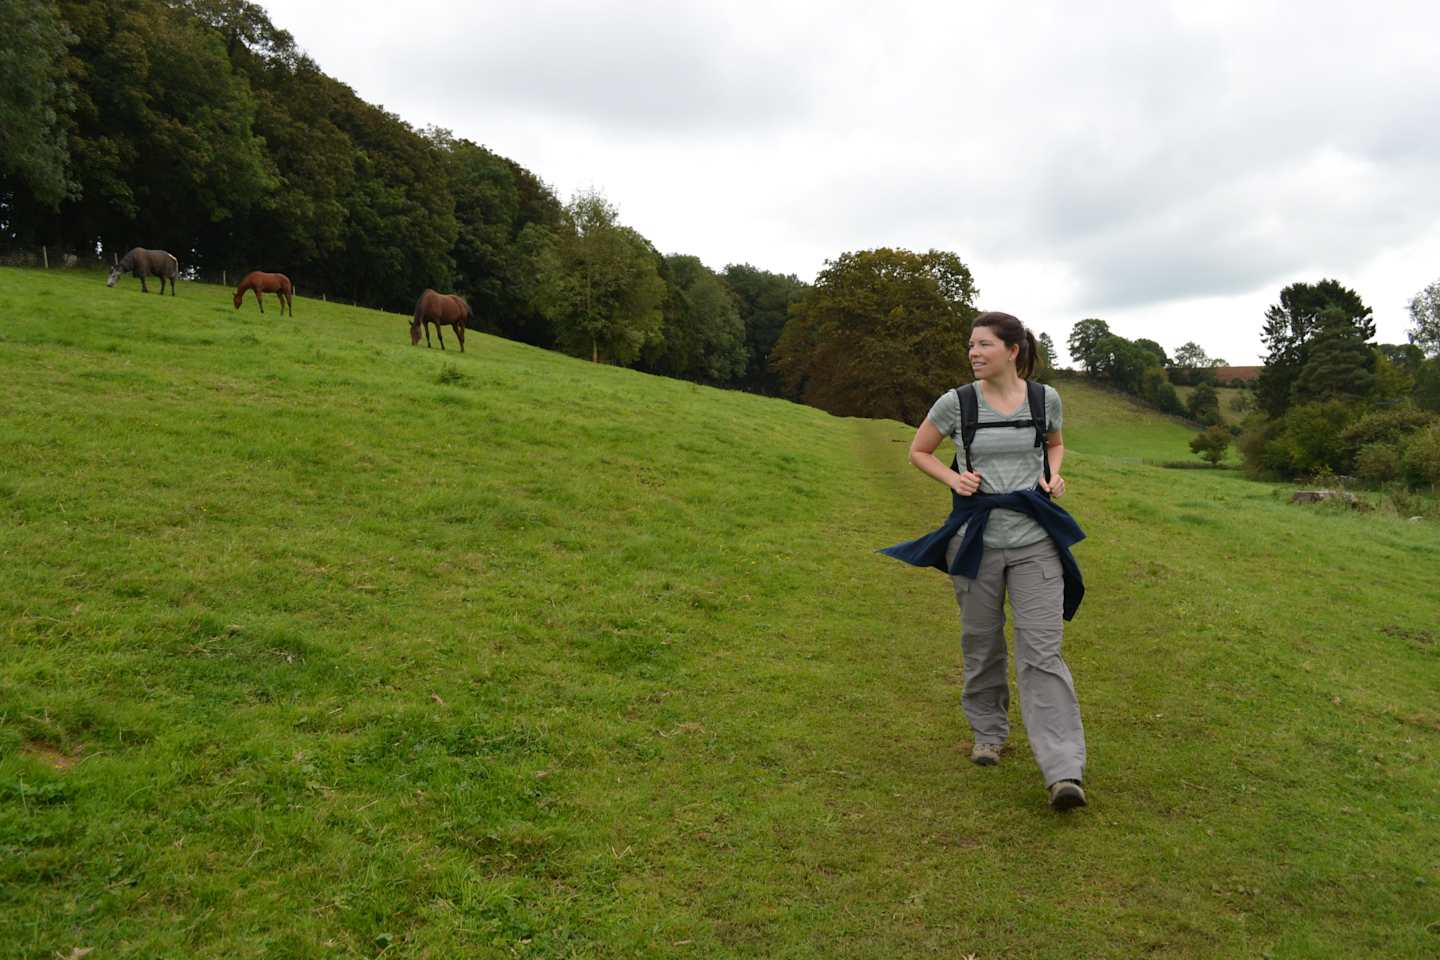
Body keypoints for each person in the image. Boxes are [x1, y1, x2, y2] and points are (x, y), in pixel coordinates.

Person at [880, 311, 1088, 811]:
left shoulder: (1044, 399)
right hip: (975, 541)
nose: (973, 353)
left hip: (1036, 539)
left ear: (1012, 350)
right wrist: (954, 480)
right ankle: (989, 732)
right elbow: (920, 451)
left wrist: (1053, 476)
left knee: (1042, 652)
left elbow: (1054, 445)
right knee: (982, 642)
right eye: (970, 346)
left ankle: (1063, 770)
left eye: (983, 345)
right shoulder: (957, 403)